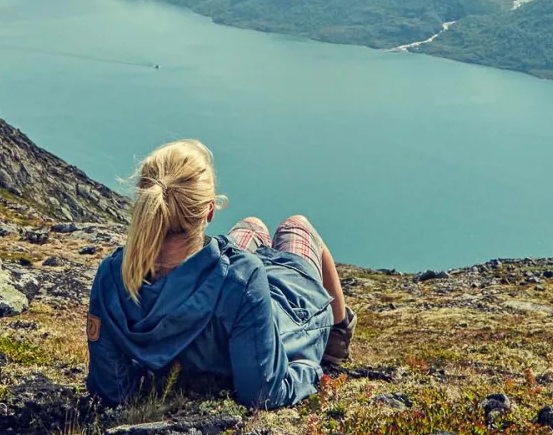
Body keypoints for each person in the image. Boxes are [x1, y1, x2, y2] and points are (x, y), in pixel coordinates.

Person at [85, 139, 354, 410]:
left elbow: (111, 388)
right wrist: (312, 372)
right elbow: (263, 392)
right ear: (209, 211)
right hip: (282, 317)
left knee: (252, 225)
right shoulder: (241, 279)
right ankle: (338, 335)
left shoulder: (111, 275)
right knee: (296, 225)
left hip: (224, 286)